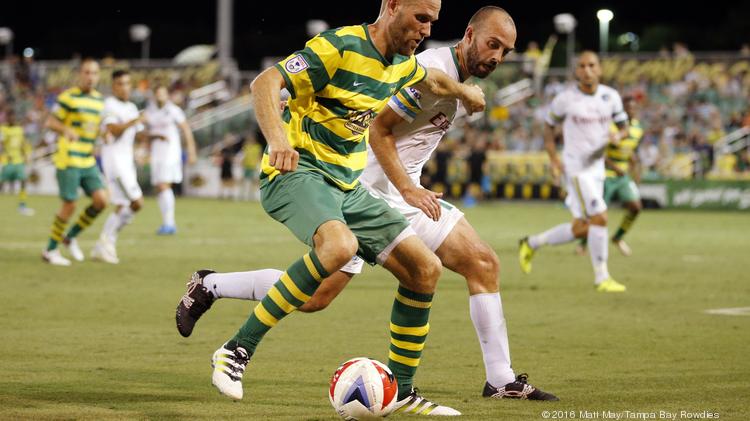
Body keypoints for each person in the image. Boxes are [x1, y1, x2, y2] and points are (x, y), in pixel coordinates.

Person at [176, 5, 557, 406]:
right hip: (336, 178)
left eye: (431, 21)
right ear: (392, 6)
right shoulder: (343, 45)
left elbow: (433, 79)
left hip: (351, 184)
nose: (427, 30)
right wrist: (279, 138)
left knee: (415, 272)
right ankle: (236, 348)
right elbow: (281, 89)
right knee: (339, 254)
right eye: (421, 18)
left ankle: (407, 391)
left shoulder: (404, 62)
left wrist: (465, 92)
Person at [519, 51, 629, 293]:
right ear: (576, 71)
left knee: (583, 227)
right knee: (600, 216)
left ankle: (531, 243)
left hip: (597, 168)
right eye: (582, 66)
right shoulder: (565, 99)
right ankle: (602, 278)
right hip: (576, 169)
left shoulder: (611, 97)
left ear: (599, 68)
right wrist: (553, 158)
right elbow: (548, 127)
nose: (587, 70)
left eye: (592, 65)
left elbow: (624, 127)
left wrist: (618, 136)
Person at [42, 58, 108, 266]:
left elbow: (94, 128)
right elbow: (50, 122)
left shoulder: (99, 101)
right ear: (80, 74)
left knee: (101, 201)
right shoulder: (67, 98)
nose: (90, 77)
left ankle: (69, 237)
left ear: (98, 76)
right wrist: (65, 129)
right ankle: (50, 250)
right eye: (87, 72)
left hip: (87, 159)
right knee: (70, 204)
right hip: (68, 157)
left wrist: (103, 136)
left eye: (94, 73)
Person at [576, 95, 644, 256]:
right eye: (628, 108)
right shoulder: (610, 128)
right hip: (605, 174)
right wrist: (614, 167)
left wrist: (635, 169)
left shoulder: (638, 129)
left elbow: (630, 151)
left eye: (634, 108)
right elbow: (599, 153)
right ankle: (583, 243)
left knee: (635, 207)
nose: (631, 111)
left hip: (622, 176)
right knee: (598, 212)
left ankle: (618, 237)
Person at [91, 69, 146, 264]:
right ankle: (105, 242)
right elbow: (113, 130)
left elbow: (137, 133)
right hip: (115, 162)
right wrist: (133, 121)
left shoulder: (131, 106)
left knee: (124, 204)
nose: (125, 87)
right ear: (114, 86)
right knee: (136, 202)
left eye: (128, 83)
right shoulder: (109, 105)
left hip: (126, 162)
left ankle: (104, 245)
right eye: (121, 84)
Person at [143, 85, 196, 235]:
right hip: (156, 154)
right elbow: (147, 133)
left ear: (167, 95)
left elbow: (185, 129)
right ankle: (167, 222)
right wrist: (145, 151)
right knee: (159, 187)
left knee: (163, 185)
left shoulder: (173, 110)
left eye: (163, 93)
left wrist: (191, 151)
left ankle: (170, 224)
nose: (160, 96)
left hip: (170, 153)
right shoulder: (150, 111)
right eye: (157, 93)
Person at [0, 109, 35, 216]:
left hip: (19, 161)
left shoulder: (19, 130)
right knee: (1, 184)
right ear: (7, 118)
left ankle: (22, 206)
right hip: (7, 161)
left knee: (23, 181)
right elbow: (1, 144)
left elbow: (24, 144)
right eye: (9, 117)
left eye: (13, 117)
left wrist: (27, 155)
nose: (11, 119)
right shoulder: (3, 129)